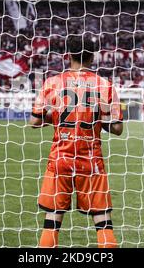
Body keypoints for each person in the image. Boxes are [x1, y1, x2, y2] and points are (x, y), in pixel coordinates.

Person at [29, 35, 123, 248]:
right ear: (93, 57)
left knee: (52, 220)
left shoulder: (52, 83)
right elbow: (117, 128)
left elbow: (34, 121)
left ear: (68, 55)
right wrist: (100, 119)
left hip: (60, 158)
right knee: (103, 221)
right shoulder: (105, 85)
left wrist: (56, 117)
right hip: (90, 160)